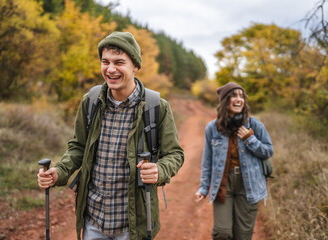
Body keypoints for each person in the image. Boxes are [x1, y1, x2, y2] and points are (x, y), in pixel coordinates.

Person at [37, 32, 184, 240]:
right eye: (105, 62)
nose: (111, 69)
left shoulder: (156, 107)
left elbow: (175, 154)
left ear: (135, 66)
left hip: (133, 225)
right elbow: (78, 147)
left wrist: (159, 170)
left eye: (119, 62)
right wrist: (59, 172)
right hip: (93, 221)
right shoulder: (91, 101)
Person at [195, 82, 273, 240]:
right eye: (233, 95)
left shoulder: (255, 125)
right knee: (222, 232)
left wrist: (250, 139)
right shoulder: (213, 128)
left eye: (241, 96)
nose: (239, 99)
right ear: (225, 101)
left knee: (243, 235)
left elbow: (268, 151)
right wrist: (203, 188)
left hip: (248, 184)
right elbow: (207, 160)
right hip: (224, 184)